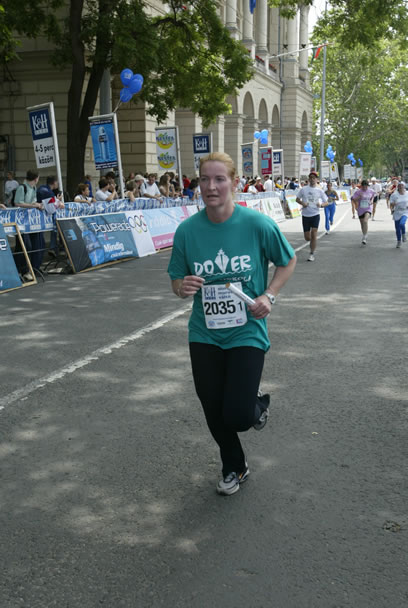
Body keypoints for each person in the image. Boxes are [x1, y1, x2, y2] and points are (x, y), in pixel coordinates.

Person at [167, 152, 296, 496]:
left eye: (219, 179)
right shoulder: (188, 231)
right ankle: (234, 466)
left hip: (246, 330)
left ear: (234, 183)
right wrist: (182, 287)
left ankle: (255, 406)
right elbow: (176, 280)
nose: (211, 187)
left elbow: (287, 261)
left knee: (237, 415)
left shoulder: (256, 224)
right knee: (213, 408)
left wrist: (269, 295)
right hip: (204, 333)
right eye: (204, 180)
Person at [13, 170, 44, 279]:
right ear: (36, 178)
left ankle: (24, 270)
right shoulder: (22, 188)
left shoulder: (34, 188)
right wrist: (34, 206)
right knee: (24, 246)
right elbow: (17, 203)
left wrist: (39, 205)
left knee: (29, 246)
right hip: (20, 222)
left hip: (30, 222)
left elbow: (33, 202)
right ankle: (21, 271)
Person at [296, 171, 328, 261]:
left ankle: (312, 253)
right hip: (305, 215)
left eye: (314, 178)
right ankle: (312, 242)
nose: (312, 179)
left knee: (314, 234)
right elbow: (297, 199)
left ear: (317, 179)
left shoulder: (319, 191)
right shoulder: (303, 189)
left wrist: (321, 205)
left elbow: (326, 202)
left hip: (315, 215)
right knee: (307, 238)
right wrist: (303, 203)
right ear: (309, 179)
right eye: (311, 178)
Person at [351, 179, 375, 245]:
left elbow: (373, 197)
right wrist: (359, 197)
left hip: (368, 208)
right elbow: (354, 199)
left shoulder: (371, 191)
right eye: (363, 186)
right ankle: (364, 234)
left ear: (367, 186)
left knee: (365, 221)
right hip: (361, 209)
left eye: (366, 186)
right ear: (361, 186)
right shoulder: (358, 192)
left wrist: (371, 201)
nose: (364, 187)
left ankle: (365, 236)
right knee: (362, 224)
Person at [390, 182, 408, 248]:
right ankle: (399, 241)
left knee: (402, 223)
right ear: (398, 187)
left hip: (405, 211)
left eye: (402, 185)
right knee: (397, 228)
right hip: (397, 212)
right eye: (399, 186)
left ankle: (403, 234)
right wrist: (393, 204)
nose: (401, 187)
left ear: (404, 186)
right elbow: (391, 203)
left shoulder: (407, 193)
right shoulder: (394, 195)